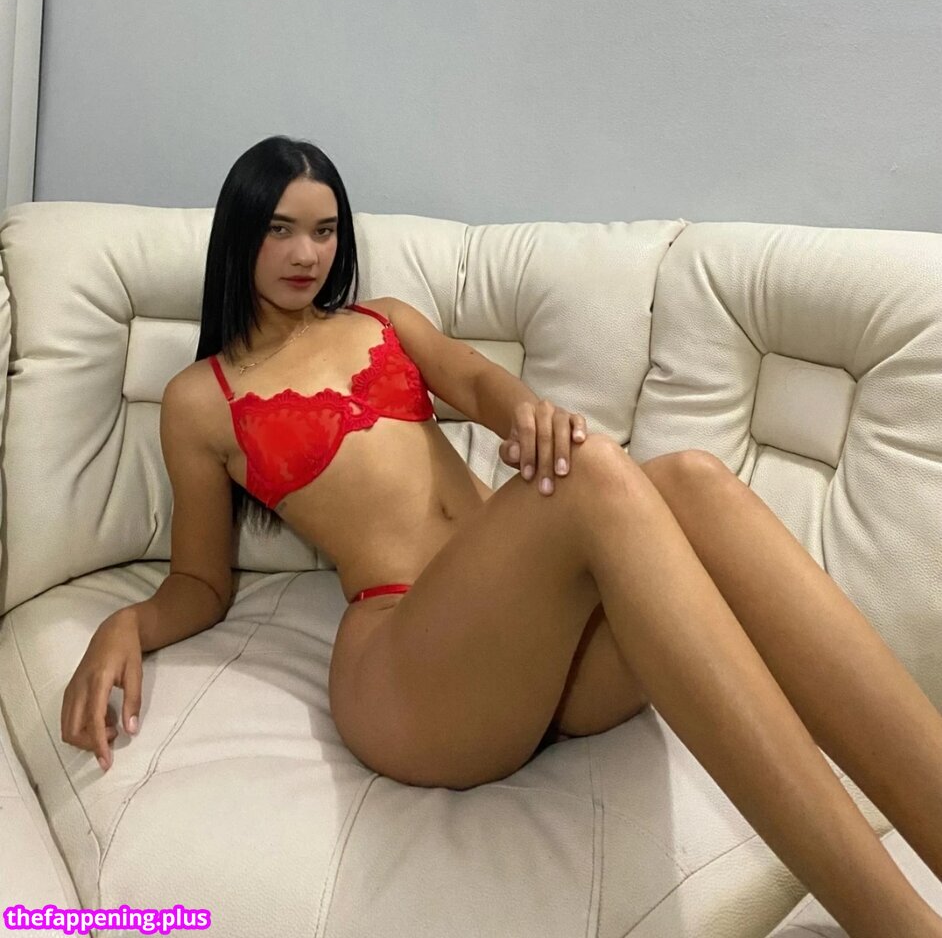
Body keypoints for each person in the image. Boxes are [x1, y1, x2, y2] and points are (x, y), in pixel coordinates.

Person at [61, 135, 942, 936]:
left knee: (697, 483)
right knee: (595, 475)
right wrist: (126, 624)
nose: (306, 255)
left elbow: (482, 385)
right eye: (280, 230)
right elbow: (200, 583)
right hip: (410, 670)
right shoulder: (202, 399)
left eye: (324, 232)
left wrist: (529, 415)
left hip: (539, 656)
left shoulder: (381, 322)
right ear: (240, 234)